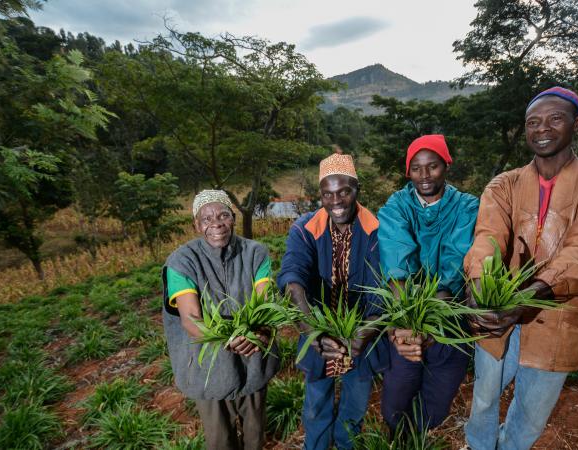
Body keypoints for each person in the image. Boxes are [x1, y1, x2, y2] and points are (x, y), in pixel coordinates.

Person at [463, 87, 578, 450]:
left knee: (530, 414)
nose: (543, 129)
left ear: (577, 124)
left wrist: (532, 294)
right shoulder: (504, 184)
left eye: (555, 119)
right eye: (533, 122)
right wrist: (478, 284)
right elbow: (488, 236)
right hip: (498, 314)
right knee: (484, 399)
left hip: (559, 317)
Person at [277, 152, 388, 450]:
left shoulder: (377, 230)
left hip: (362, 333)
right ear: (321, 195)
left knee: (354, 405)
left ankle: (346, 443)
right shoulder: (304, 228)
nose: (336, 201)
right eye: (327, 194)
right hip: (319, 331)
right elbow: (292, 275)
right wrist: (311, 328)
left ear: (356, 190)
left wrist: (365, 332)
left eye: (343, 192)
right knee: (316, 404)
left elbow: (383, 286)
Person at [377, 134, 479, 433]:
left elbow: (456, 259)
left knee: (436, 402)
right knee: (398, 392)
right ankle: (396, 435)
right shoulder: (397, 205)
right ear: (408, 171)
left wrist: (432, 319)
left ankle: (419, 436)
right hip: (407, 316)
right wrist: (407, 324)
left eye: (432, 166)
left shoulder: (466, 206)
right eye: (416, 168)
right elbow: (397, 261)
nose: (424, 176)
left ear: (446, 165)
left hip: (450, 316)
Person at [162, 189, 278, 450]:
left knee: (254, 436)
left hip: (253, 359)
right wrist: (232, 338)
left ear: (233, 218)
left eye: (223, 215)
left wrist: (261, 331)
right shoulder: (181, 261)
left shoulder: (255, 253)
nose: (216, 224)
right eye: (206, 219)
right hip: (209, 369)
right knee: (220, 441)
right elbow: (192, 321)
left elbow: (265, 303)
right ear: (196, 224)